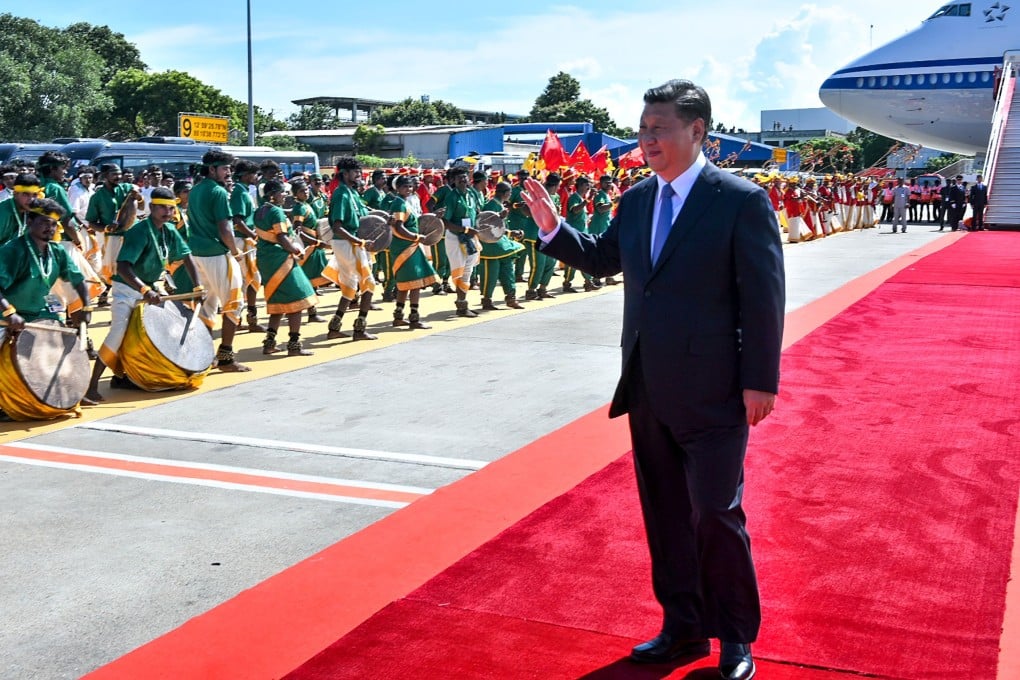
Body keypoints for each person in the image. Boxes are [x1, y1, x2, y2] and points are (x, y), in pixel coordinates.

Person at [524, 79, 784, 680]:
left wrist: (760, 379)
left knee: (717, 513)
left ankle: (737, 637)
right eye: (642, 129)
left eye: (658, 129)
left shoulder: (739, 200)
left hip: (717, 390)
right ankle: (682, 627)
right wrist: (554, 230)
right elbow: (604, 257)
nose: (646, 141)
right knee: (665, 515)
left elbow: (764, 297)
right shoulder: (638, 200)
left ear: (697, 131)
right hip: (649, 388)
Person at [85, 187, 204, 403]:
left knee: (166, 329)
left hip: (150, 288)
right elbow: (122, 267)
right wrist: (144, 290)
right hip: (127, 291)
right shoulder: (139, 232)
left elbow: (187, 257)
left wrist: (198, 287)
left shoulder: (169, 230)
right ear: (151, 207)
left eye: (170, 208)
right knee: (118, 334)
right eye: (162, 208)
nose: (167, 212)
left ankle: (129, 376)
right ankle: (91, 387)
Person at [185, 149, 250, 372]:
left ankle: (204, 355)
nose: (228, 172)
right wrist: (236, 252)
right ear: (212, 169)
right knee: (234, 303)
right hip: (216, 253)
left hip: (197, 254)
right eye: (225, 168)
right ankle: (226, 357)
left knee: (208, 305)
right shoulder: (219, 192)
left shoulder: (194, 191)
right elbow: (225, 229)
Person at [253, 180, 316, 356]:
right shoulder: (276, 211)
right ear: (272, 194)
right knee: (298, 299)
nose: (286, 195)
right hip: (281, 259)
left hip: (266, 259)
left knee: (278, 302)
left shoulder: (259, 211)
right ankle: (294, 345)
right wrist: (296, 250)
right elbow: (281, 237)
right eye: (283, 192)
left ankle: (269, 343)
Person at [325, 156, 377, 341]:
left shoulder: (352, 193)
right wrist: (360, 242)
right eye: (355, 172)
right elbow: (337, 226)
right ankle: (359, 329)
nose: (358, 175)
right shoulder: (340, 194)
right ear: (344, 174)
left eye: (358, 172)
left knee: (350, 287)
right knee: (368, 284)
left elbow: (365, 217)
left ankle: (334, 327)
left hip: (353, 243)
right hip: (347, 243)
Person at [386, 175, 437, 328]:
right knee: (415, 283)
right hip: (406, 247)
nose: (408, 189)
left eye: (409, 186)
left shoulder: (402, 202)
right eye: (404, 186)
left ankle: (399, 316)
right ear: (397, 188)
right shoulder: (399, 204)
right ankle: (414, 319)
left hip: (408, 246)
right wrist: (416, 237)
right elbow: (399, 227)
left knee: (405, 283)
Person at [440, 167, 482, 317]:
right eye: (459, 179)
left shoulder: (471, 193)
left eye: (465, 177)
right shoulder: (451, 197)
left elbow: (477, 212)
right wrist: (465, 230)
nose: (463, 180)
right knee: (461, 272)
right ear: (453, 181)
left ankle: (462, 304)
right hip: (455, 238)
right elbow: (445, 221)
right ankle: (461, 305)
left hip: (470, 237)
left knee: (468, 271)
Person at [229, 159, 265, 331]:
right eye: (253, 174)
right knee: (250, 280)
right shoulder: (240, 193)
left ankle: (242, 319)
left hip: (246, 240)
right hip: (242, 240)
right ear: (245, 175)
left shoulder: (243, 191)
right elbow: (237, 220)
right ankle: (248, 319)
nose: (256, 177)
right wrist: (253, 235)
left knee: (247, 281)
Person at [478, 181, 525, 310]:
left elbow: (501, 227)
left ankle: (511, 298)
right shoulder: (491, 205)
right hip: (491, 245)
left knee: (508, 270)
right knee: (490, 273)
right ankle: (487, 300)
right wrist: (500, 217)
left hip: (502, 243)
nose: (510, 195)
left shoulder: (501, 205)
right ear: (505, 193)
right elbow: (486, 225)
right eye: (509, 192)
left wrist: (511, 233)